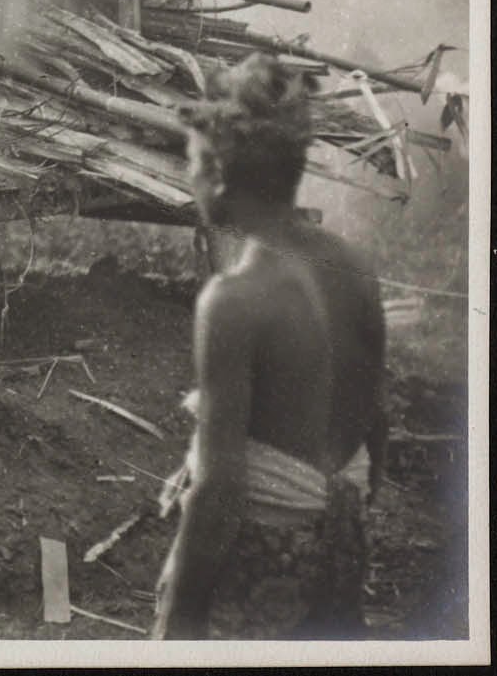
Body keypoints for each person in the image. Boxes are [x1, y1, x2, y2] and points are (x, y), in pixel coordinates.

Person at [151, 54, 387, 640]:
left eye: (192, 165)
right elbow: (376, 422)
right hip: (342, 540)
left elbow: (220, 488)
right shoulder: (355, 268)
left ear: (220, 173)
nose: (188, 180)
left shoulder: (233, 300)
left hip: (264, 553)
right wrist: (342, 526)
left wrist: (176, 617)